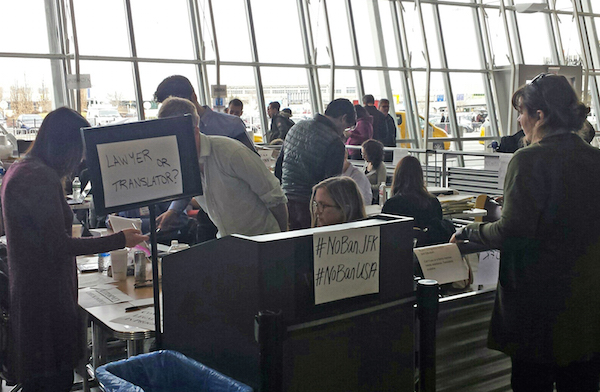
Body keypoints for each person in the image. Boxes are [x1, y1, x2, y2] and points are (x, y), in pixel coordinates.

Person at [451, 73, 600, 392]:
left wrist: (471, 230)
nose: (519, 121)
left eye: (521, 112)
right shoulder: (595, 159)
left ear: (539, 116)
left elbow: (512, 231)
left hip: (538, 312)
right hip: (587, 309)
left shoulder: (529, 160)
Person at [0, 107, 148, 391]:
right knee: (52, 380)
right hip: (45, 301)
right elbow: (58, 244)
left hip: (36, 294)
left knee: (45, 379)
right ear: (62, 145)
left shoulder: (22, 169)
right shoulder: (37, 177)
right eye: (77, 150)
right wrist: (119, 240)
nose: (80, 158)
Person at [158, 97, 288, 237]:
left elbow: (276, 198)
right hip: (228, 242)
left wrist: (280, 240)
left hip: (263, 240)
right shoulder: (183, 165)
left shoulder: (231, 153)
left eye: (176, 138)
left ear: (195, 131)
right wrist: (173, 211)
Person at [154, 75, 255, 234]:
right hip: (209, 214)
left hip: (243, 213)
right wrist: (174, 210)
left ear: (193, 97)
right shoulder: (174, 136)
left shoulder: (230, 125)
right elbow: (189, 174)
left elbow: (255, 168)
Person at [277, 98, 356, 229]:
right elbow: (331, 184)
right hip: (311, 206)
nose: (345, 132)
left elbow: (279, 167)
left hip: (286, 201)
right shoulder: (335, 142)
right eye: (347, 126)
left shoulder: (296, 127)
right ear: (343, 118)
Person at [154, 75, 254, 151]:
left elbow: (253, 162)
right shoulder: (170, 134)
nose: (170, 112)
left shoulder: (232, 125)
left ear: (193, 97)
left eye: (174, 106)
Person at [382, 156, 453, 246]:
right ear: (420, 176)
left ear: (397, 176)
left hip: (400, 255)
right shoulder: (433, 202)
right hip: (429, 254)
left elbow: (385, 237)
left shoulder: (391, 205)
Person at [362, 139, 387, 205]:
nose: (363, 156)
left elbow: (380, 186)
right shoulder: (366, 164)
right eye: (362, 153)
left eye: (365, 154)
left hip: (374, 199)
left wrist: (366, 186)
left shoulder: (381, 166)